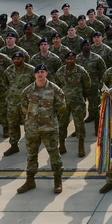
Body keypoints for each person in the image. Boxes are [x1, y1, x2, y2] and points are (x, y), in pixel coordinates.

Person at [16, 65, 66, 195]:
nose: (40, 74)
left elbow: (61, 108)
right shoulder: (27, 90)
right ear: (34, 75)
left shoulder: (55, 90)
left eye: (42, 72)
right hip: (32, 128)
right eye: (37, 72)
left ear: (46, 74)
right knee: (31, 154)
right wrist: (30, 120)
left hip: (49, 128)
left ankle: (57, 180)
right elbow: (24, 107)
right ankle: (30, 180)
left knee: (54, 154)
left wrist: (51, 119)